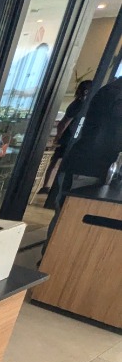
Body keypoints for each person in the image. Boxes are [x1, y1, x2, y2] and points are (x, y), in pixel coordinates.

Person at [45, 75, 122, 244]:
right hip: (86, 168)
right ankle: (49, 257)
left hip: (92, 167)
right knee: (68, 217)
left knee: (71, 219)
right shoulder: (115, 94)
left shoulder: (113, 91)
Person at [40, 78, 92, 193]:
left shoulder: (77, 104)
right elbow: (64, 123)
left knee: (55, 162)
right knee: (61, 163)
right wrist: (59, 135)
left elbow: (63, 123)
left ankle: (47, 186)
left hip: (68, 137)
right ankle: (53, 187)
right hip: (71, 138)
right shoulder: (82, 105)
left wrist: (58, 136)